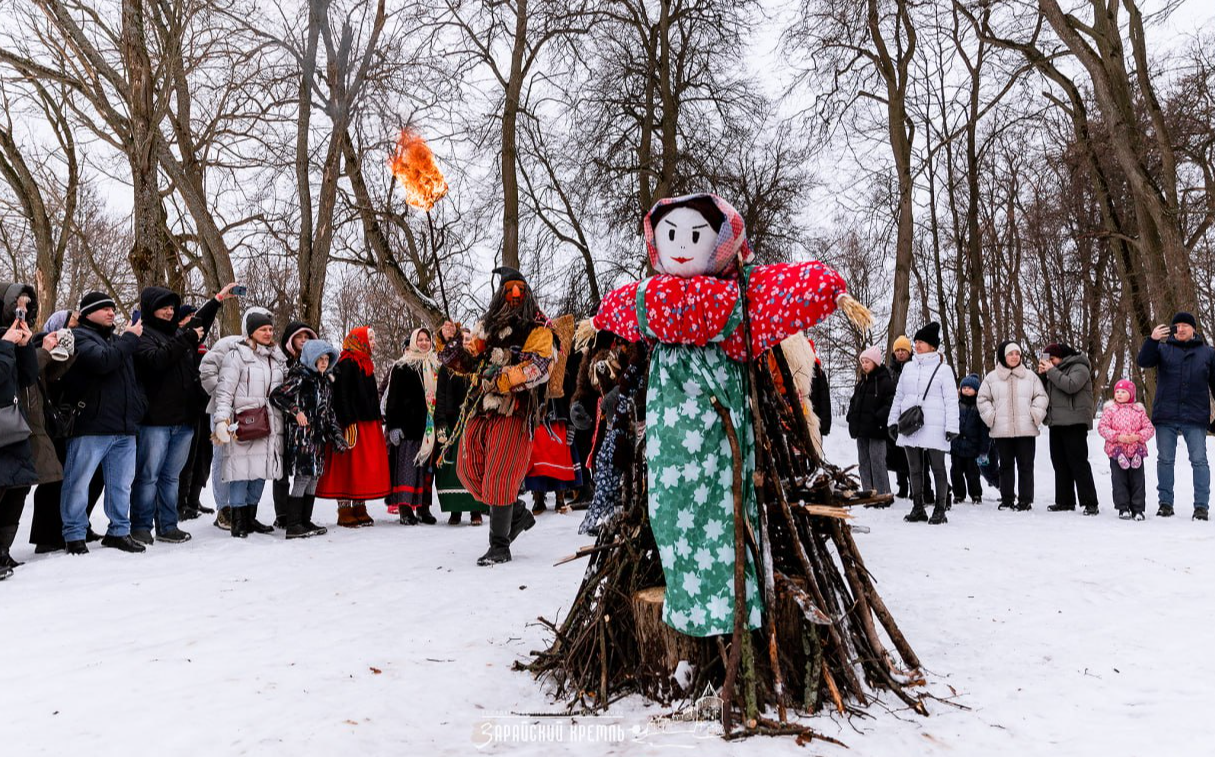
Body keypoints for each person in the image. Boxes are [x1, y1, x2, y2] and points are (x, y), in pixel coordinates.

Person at [438, 266, 554, 565]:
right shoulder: (485, 328)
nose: (514, 295)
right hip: (482, 405)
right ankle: (515, 513)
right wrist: (449, 341)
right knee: (468, 469)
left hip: (515, 408)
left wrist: (502, 377)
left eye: (519, 289)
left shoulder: (538, 328)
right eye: (508, 290)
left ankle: (499, 544)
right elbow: (467, 362)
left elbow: (539, 367)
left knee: (500, 475)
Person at [130, 283, 236, 544]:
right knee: (148, 476)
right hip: (155, 421)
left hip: (184, 419)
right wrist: (185, 338)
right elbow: (156, 361)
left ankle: (167, 524)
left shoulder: (180, 335)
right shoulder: (143, 335)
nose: (168, 311)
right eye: (163, 307)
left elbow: (200, 323)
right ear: (150, 309)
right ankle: (141, 525)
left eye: (171, 307)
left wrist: (218, 298)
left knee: (171, 477)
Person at [56, 292, 148, 554]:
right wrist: (131, 338)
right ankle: (74, 534)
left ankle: (119, 531)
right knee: (78, 482)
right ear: (87, 313)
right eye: (104, 308)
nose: (111, 312)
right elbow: (103, 361)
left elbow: (133, 379)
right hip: (91, 425)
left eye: (112, 308)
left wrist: (139, 406)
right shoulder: (77, 337)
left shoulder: (120, 341)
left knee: (121, 484)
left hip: (124, 426)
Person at [26, 310, 105, 552]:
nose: (75, 328)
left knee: (89, 478)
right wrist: (53, 351)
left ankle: (80, 523)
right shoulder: (38, 346)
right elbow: (44, 378)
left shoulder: (74, 344)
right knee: (54, 480)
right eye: (71, 323)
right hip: (48, 422)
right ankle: (46, 536)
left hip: (67, 418)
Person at [212, 309, 286, 538]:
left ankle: (251, 517)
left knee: (260, 470)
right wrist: (222, 420)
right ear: (251, 331)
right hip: (244, 421)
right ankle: (238, 521)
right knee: (240, 470)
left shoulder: (275, 357)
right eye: (263, 329)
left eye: (270, 329)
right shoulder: (237, 356)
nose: (268, 333)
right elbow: (224, 391)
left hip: (270, 421)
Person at [1136, 312, 1215, 521]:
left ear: (1194, 329)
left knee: (1199, 461)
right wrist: (1152, 340)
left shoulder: (1208, 353)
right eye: (1177, 326)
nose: (1180, 329)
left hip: (1195, 415)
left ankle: (1201, 507)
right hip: (1166, 414)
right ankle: (1165, 504)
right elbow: (1143, 361)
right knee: (1165, 460)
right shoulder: (1162, 349)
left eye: (1185, 326)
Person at [316, 326, 391, 527]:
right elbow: (341, 395)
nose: (373, 343)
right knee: (347, 465)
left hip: (367, 421)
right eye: (370, 339)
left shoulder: (366, 362)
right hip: (351, 422)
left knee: (362, 467)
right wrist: (347, 421)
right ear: (359, 340)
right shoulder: (346, 362)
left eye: (373, 339)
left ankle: (360, 505)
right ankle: (344, 508)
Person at [269, 338, 344, 538]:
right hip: (302, 437)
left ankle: (305, 520)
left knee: (314, 477)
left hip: (319, 438)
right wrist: (296, 411)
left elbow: (328, 413)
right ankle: (293, 524)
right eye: (320, 358)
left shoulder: (325, 382)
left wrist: (336, 435)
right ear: (311, 358)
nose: (324, 362)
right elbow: (277, 396)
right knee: (303, 477)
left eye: (327, 359)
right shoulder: (300, 377)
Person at [887, 322, 958, 524]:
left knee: (937, 467)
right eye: (916, 341)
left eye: (922, 342)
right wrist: (893, 421)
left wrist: (952, 427)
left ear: (933, 346)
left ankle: (940, 508)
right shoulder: (908, 368)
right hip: (910, 423)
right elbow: (899, 397)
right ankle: (918, 507)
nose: (917, 345)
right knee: (914, 468)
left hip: (935, 424)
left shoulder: (943, 370)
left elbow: (952, 400)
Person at [977, 341, 1048, 512]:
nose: (1015, 357)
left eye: (1017, 353)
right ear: (1003, 356)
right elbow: (982, 399)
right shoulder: (992, 378)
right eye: (1011, 354)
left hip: (1026, 429)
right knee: (1006, 466)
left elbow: (1041, 396)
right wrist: (992, 416)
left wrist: (1034, 414)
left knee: (1025, 466)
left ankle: (1025, 500)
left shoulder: (1030, 376)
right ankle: (1007, 499)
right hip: (1002, 430)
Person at [383, 327, 439, 525]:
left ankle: (424, 508)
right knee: (408, 469)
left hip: (428, 427)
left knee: (426, 471)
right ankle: (405, 509)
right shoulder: (401, 366)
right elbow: (393, 399)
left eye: (427, 339)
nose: (424, 343)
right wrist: (393, 426)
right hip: (407, 427)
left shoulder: (435, 366)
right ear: (414, 342)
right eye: (420, 339)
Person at [1037, 342, 1099, 515]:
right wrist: (1042, 375)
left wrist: (1051, 371)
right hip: (1056, 422)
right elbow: (1045, 391)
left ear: (1061, 357)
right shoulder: (1053, 371)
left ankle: (1090, 502)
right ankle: (1064, 501)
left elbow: (1071, 386)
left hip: (1075, 421)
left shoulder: (1080, 366)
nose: (1051, 362)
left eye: (1053, 359)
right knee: (1059, 463)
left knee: (1078, 462)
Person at [434, 328, 485, 525]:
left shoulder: (477, 365)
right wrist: (441, 423)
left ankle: (476, 510)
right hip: (454, 421)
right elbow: (441, 396)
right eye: (461, 339)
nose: (465, 342)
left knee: (474, 464)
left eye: (468, 339)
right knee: (452, 469)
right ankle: (455, 510)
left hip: (473, 419)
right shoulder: (448, 367)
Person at [0, 315, 38, 578]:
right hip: (5, 426)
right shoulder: (3, 342)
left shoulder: (7, 339)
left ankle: (3, 550)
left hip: (12, 426)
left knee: (18, 487)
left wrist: (25, 347)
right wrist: (4, 346)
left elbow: (28, 377)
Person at [271, 321, 318, 525]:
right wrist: (294, 409)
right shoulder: (282, 362)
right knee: (281, 471)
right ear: (291, 340)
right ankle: (283, 515)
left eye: (307, 337)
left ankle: (298, 517)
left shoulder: (314, 365)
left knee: (303, 471)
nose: (304, 341)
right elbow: (277, 393)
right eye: (300, 337)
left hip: (303, 426)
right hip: (280, 419)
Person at [1098, 379, 1156, 521]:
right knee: (1119, 481)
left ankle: (1138, 509)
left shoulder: (1139, 411)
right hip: (1117, 452)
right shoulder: (1110, 411)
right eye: (1117, 391)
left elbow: (1149, 428)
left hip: (1136, 451)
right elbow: (1102, 428)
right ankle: (1123, 507)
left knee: (1137, 481)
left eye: (1123, 392)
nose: (1119, 394)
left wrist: (1138, 436)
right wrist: (1118, 437)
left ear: (1131, 394)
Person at [846, 345, 894, 496]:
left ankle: (883, 494)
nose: (864, 365)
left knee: (877, 461)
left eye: (867, 361)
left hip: (877, 429)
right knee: (864, 462)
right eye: (863, 361)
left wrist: (878, 417)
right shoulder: (861, 384)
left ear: (875, 362)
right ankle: (868, 493)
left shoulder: (885, 382)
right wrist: (851, 416)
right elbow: (853, 402)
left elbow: (890, 404)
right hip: (861, 430)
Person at [949, 374, 989, 504]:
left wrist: (983, 449)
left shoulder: (979, 408)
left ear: (976, 391)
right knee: (956, 472)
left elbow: (984, 431)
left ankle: (976, 494)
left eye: (969, 388)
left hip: (973, 448)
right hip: (957, 446)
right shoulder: (956, 406)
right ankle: (959, 494)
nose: (966, 390)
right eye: (964, 387)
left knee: (972, 474)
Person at [885, 335, 916, 499]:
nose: (901, 353)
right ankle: (902, 486)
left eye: (904, 350)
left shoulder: (914, 368)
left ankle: (915, 487)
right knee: (896, 454)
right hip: (894, 415)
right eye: (897, 350)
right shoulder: (889, 371)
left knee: (910, 454)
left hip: (911, 417)